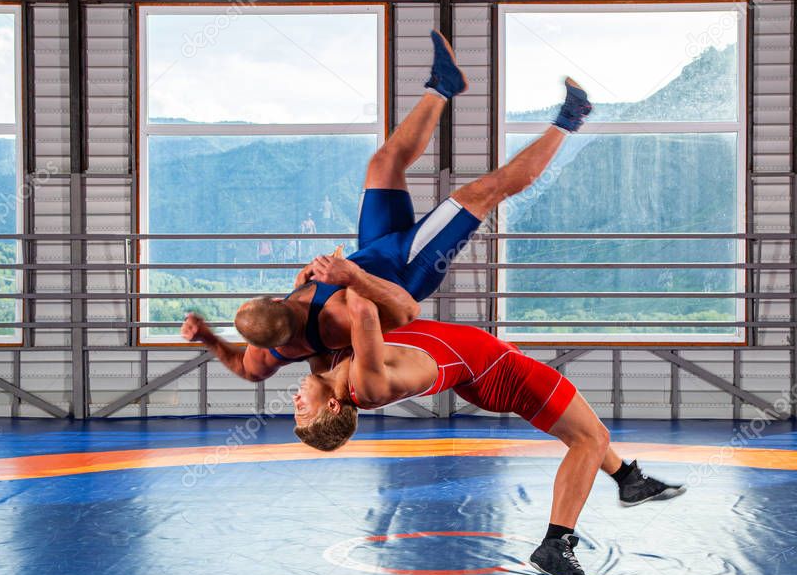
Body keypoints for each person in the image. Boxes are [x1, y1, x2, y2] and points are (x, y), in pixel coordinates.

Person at [182, 30, 593, 378]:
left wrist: (207, 337)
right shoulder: (342, 320)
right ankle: (572, 118)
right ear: (277, 311)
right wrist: (350, 278)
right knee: (481, 193)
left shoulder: (268, 342)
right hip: (406, 268)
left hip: (373, 250)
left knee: (383, 163)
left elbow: (246, 369)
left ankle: (443, 85)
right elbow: (407, 311)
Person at [290, 289, 685, 575]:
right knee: (591, 438)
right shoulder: (364, 381)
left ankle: (628, 482)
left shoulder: (331, 365)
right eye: (302, 408)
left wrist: (306, 287)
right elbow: (364, 306)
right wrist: (343, 271)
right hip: (500, 372)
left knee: (581, 434)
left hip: (485, 370)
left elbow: (299, 320)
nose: (294, 398)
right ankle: (555, 544)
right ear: (333, 408)